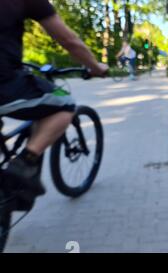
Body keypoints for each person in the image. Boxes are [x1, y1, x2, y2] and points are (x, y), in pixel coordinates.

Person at [0, 0, 108, 205]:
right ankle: (25, 162)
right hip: (5, 83)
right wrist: (95, 66)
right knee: (65, 103)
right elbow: (69, 40)